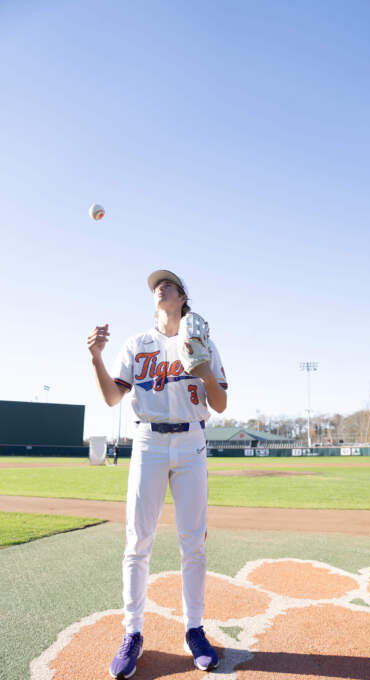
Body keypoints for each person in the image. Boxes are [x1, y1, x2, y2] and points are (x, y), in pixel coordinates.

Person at [87, 270, 227, 678]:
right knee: (138, 540)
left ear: (183, 298)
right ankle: (132, 633)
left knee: (193, 542)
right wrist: (95, 357)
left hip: (191, 441)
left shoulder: (203, 342)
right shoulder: (137, 344)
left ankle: (195, 630)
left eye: (168, 285)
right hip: (147, 441)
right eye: (155, 287)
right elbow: (112, 396)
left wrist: (203, 369)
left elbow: (220, 404)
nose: (159, 288)